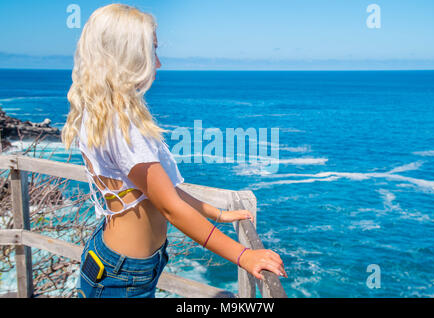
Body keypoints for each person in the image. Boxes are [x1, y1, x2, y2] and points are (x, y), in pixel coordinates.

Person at [62, 3, 286, 298]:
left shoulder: (101, 112)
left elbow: (158, 191)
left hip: (119, 265)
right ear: (126, 56)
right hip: (124, 276)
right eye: (151, 52)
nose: (157, 64)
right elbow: (169, 207)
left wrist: (216, 213)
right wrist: (244, 256)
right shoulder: (122, 125)